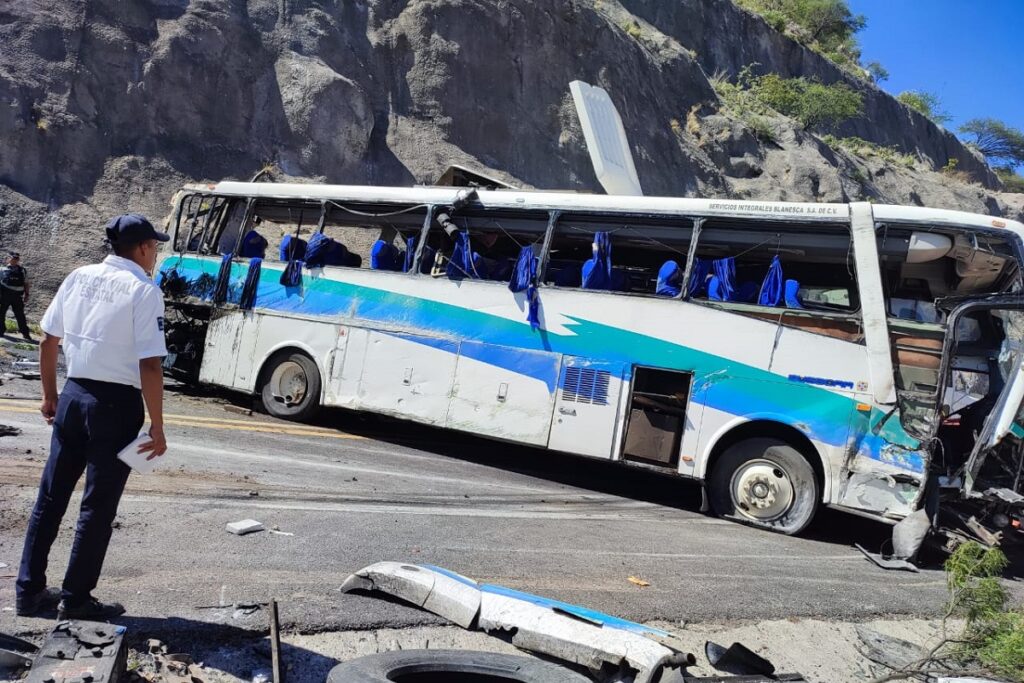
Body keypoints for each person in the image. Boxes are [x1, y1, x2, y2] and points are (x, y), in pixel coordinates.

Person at [16, 214, 170, 620]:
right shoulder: (144, 290)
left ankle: (28, 593)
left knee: (50, 499)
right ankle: (76, 599)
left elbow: (49, 341)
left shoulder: (78, 276)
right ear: (141, 248)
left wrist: (50, 396)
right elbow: (150, 365)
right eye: (154, 246)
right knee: (96, 507)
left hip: (74, 394)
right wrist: (157, 424)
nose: (155, 253)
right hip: (116, 405)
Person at [0, 252, 32, 341]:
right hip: (4, 295)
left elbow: (26, 283)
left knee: (20, 315)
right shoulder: (2, 269)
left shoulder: (22, 270)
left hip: (17, 296)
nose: (15, 260)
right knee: (1, 314)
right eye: (13, 258)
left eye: (17, 259)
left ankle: (26, 334)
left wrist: (27, 294)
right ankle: (1, 331)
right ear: (8, 258)